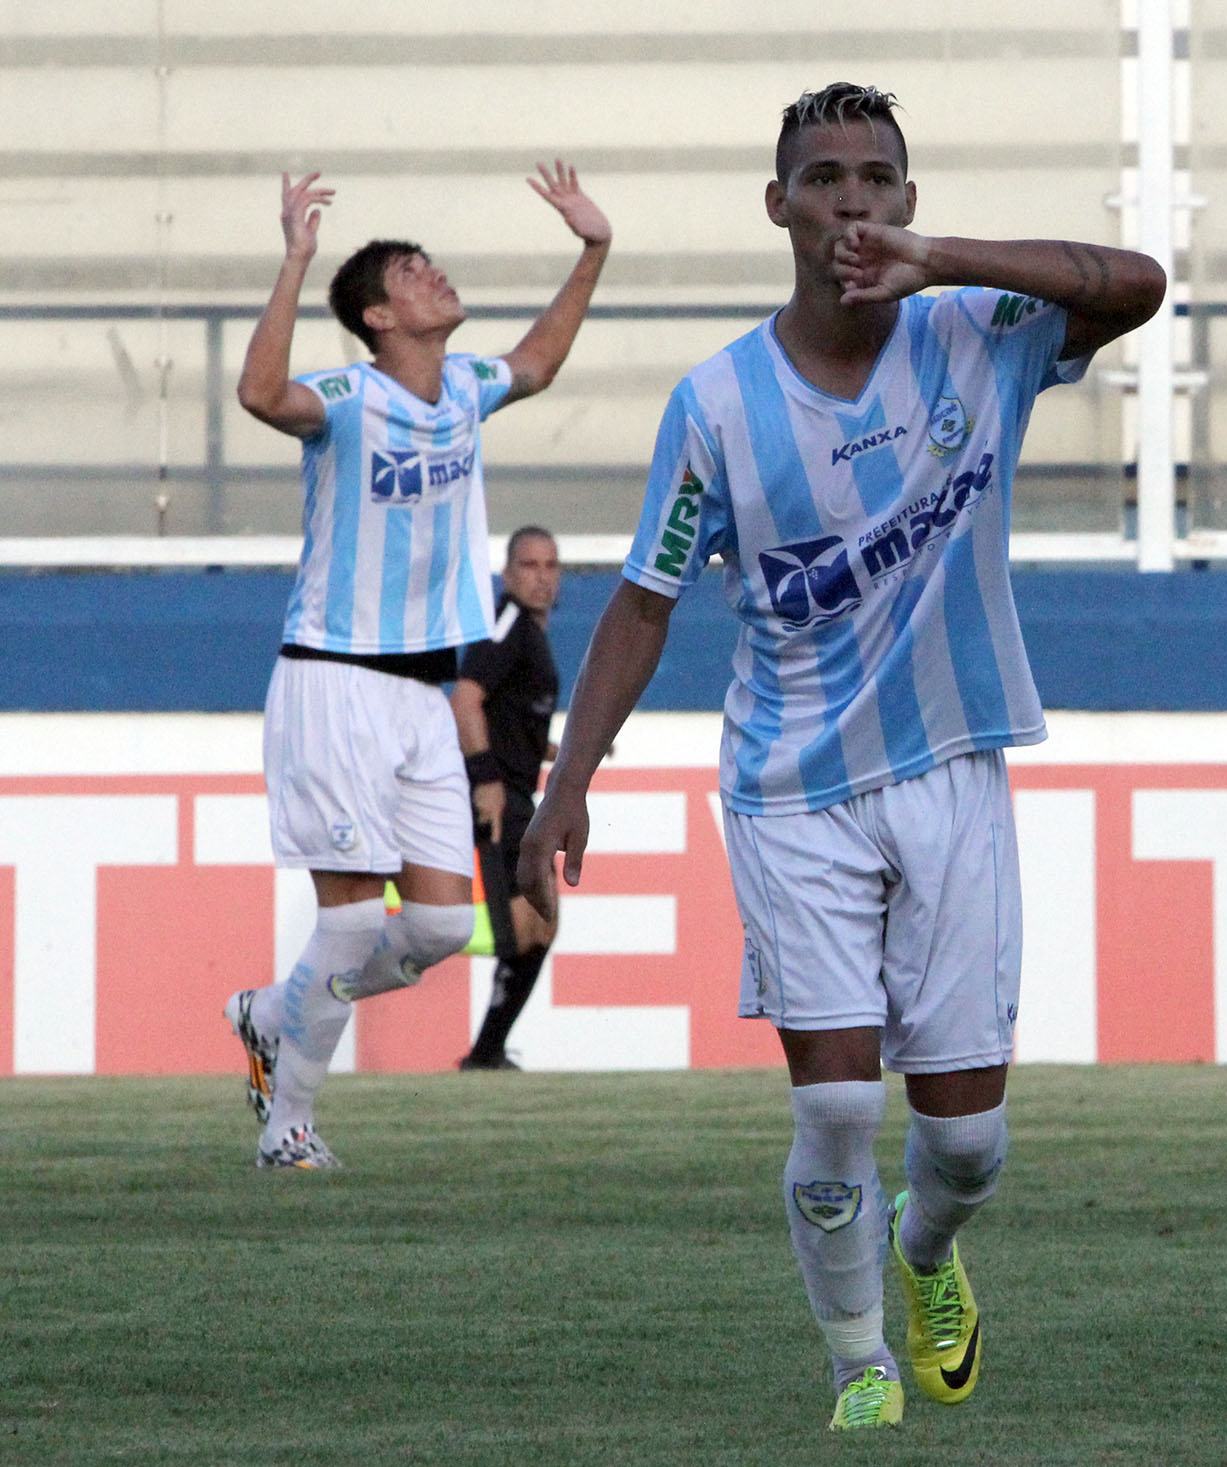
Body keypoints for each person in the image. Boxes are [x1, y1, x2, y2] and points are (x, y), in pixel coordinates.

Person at [517, 84, 1163, 1432]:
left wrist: (951, 261)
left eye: (877, 179)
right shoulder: (718, 405)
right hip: (789, 785)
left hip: (951, 759)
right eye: (823, 178)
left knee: (970, 1142)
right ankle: (859, 1358)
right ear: (780, 207)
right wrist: (567, 780)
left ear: (908, 202)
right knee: (832, 1107)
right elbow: (645, 598)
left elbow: (1139, 283)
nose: (852, 202)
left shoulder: (978, 334)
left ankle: (925, 1254)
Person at [223, 164, 611, 1169]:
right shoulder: (349, 399)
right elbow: (260, 392)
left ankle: (274, 1010)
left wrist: (592, 251)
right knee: (350, 930)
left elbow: (536, 361)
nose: (436, 274)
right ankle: (288, 1129)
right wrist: (295, 260)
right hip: (334, 678)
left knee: (440, 926)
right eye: (415, 270)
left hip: (423, 698)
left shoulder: (467, 390)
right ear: (379, 313)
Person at [453, 525, 564, 1071]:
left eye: (550, 566)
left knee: (541, 922)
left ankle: (487, 1051)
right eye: (529, 565)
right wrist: (485, 780)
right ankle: (486, 1052)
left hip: (521, 793)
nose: (541, 578)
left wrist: (553, 749)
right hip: (498, 797)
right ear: (507, 573)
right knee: (524, 927)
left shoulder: (530, 635)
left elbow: (508, 715)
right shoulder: (506, 626)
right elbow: (466, 700)